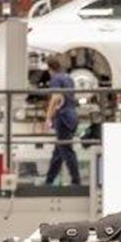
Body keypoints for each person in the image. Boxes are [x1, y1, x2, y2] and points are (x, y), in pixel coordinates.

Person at [44, 57, 82, 188]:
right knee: (58, 151)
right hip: (72, 116)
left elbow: (56, 98)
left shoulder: (55, 79)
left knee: (65, 149)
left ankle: (76, 181)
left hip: (63, 118)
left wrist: (48, 117)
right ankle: (49, 180)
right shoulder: (68, 78)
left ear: (50, 69)